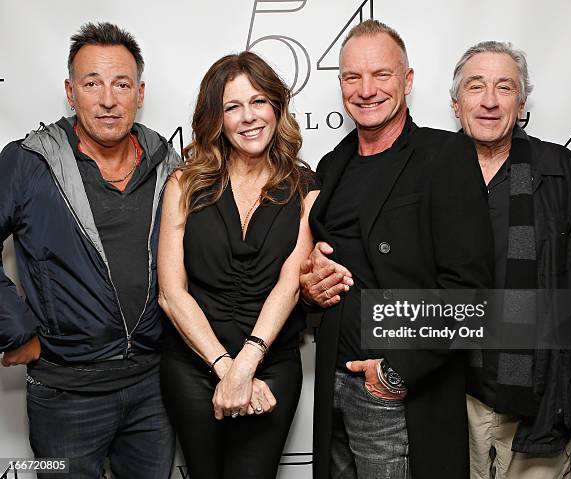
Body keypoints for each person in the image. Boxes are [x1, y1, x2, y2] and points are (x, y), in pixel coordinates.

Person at [299, 20, 494, 479]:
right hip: (333, 387)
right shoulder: (333, 164)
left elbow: (471, 292)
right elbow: (325, 269)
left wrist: (395, 372)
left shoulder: (445, 156)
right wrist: (311, 289)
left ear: (407, 80)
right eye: (352, 77)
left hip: (396, 394)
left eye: (381, 75)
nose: (366, 90)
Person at [0, 22, 179, 478]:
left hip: (153, 388)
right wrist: (16, 330)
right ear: (70, 91)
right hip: (66, 395)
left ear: (140, 93)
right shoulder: (27, 161)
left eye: (121, 84)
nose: (107, 99)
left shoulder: (170, 164)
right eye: (92, 83)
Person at [450, 40, 571, 478]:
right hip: (450, 391)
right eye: (475, 86)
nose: (488, 101)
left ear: (521, 102)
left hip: (541, 390)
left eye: (504, 87)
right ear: (455, 101)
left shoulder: (558, 170)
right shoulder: (430, 171)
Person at [157, 51, 318, 479]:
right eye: (232, 106)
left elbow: (289, 283)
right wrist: (226, 369)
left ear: (277, 107)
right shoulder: (184, 183)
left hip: (271, 367)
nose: (248, 117)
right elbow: (172, 294)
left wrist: (247, 365)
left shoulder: (305, 185)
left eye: (258, 101)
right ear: (217, 118)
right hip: (193, 365)